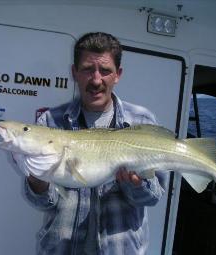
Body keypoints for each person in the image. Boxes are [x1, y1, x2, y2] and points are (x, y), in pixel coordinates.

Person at [15, 32, 167, 255]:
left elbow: (153, 197)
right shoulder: (49, 122)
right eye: (87, 69)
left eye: (105, 71)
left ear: (118, 75)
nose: (96, 80)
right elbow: (44, 203)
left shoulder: (142, 121)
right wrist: (37, 179)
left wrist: (135, 184)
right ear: (74, 73)